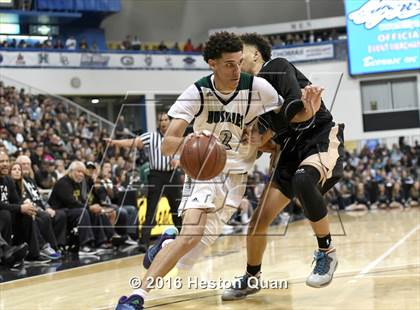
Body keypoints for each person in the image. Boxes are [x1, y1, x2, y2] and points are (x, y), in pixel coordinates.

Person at [115, 31, 285, 310]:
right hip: (205, 170)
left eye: (239, 62)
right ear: (211, 64)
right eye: (229, 64)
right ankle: (137, 296)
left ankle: (168, 238)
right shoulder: (196, 92)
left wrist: (261, 134)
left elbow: (284, 118)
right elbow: (168, 144)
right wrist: (197, 142)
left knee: (188, 257)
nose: (236, 69)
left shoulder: (259, 88)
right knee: (191, 235)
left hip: (237, 177)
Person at [222, 33, 344, 300]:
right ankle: (252, 277)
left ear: (256, 54)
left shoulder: (276, 66)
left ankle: (327, 252)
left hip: (317, 138)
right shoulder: (248, 95)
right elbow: (261, 141)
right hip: (287, 151)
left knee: (303, 181)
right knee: (257, 222)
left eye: (241, 52)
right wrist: (250, 144)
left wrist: (266, 131)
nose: (236, 58)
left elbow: (293, 108)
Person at [107, 112, 182, 251]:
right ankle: (144, 242)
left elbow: (182, 155)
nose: (164, 122)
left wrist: (178, 161)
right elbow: (133, 142)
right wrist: (115, 142)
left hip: (172, 175)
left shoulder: (176, 138)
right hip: (156, 175)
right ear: (158, 123)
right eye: (161, 120)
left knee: (176, 209)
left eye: (166, 119)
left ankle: (182, 239)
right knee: (151, 209)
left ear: (170, 122)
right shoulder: (151, 136)